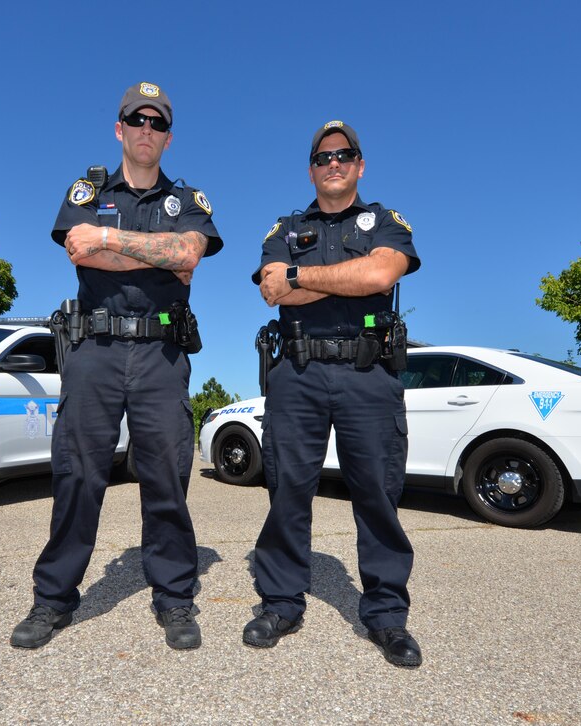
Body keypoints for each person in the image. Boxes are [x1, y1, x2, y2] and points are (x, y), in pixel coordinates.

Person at [11, 82, 223, 651]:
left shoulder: (189, 201)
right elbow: (80, 250)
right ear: (119, 128)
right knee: (77, 474)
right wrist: (151, 250)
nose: (146, 130)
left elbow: (188, 256)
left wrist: (110, 239)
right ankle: (53, 598)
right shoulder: (87, 189)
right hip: (94, 350)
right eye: (136, 120)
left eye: (157, 123)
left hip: (161, 354)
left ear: (168, 136)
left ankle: (175, 598)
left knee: (166, 476)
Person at [246, 120, 423, 667]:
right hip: (296, 374)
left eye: (344, 155)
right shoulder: (286, 227)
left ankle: (387, 616)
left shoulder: (385, 221)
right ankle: (280, 601)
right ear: (311, 169)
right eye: (323, 157)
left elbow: (380, 276)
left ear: (360, 165)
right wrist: (324, 277)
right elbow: (271, 288)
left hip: (368, 376)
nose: (334, 164)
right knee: (288, 491)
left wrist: (303, 279)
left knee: (376, 495)